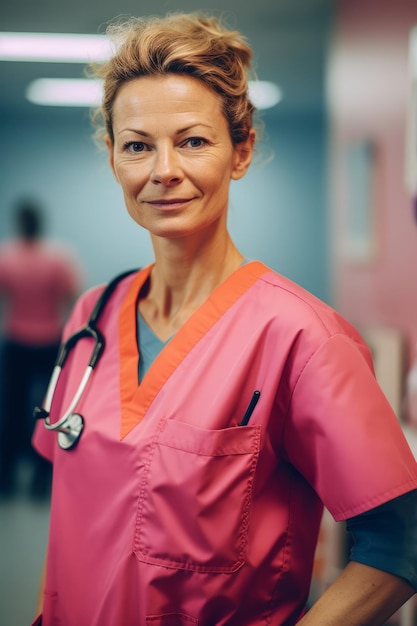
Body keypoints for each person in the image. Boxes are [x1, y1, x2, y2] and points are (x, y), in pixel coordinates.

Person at [31, 12, 417, 626]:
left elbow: (400, 545)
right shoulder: (91, 315)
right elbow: (75, 523)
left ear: (241, 151)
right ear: (112, 158)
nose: (163, 171)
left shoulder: (303, 339)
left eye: (192, 141)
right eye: (137, 145)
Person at [0, 198, 82, 498]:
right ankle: (39, 481)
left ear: (20, 224)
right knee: (47, 412)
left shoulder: (7, 256)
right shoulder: (57, 257)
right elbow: (73, 298)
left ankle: (7, 479)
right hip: (48, 343)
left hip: (21, 343)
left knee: (13, 409)